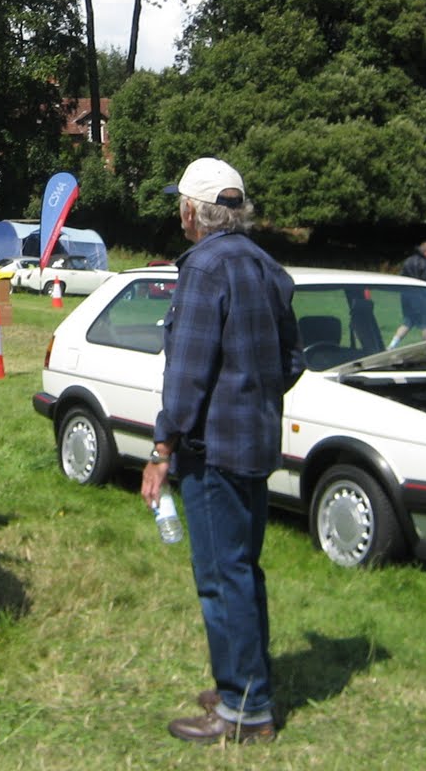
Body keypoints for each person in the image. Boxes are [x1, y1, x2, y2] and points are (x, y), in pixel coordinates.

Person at [141, 157, 302, 746]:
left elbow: (186, 377)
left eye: (179, 203)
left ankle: (243, 708)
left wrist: (162, 448)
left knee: (220, 577)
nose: (178, 212)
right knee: (243, 569)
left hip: (212, 451)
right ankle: (247, 683)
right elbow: (292, 361)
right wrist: (253, 398)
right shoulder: (266, 266)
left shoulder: (204, 268)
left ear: (193, 211)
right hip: (256, 442)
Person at [390, 240, 426, 347]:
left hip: (407, 298)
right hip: (422, 300)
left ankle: (392, 345)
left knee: (407, 322)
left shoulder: (408, 261)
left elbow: (402, 279)